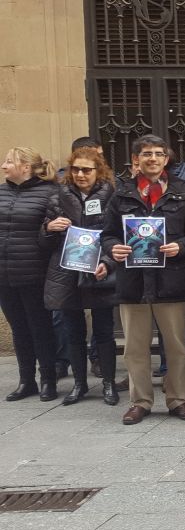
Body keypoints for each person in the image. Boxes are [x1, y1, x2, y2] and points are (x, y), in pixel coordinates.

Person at [103, 135, 185, 424]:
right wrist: (114, 247)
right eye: (146, 153)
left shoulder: (184, 192)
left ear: (166, 159)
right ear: (136, 159)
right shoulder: (121, 194)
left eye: (158, 153)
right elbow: (107, 233)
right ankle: (140, 401)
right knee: (135, 348)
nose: (152, 158)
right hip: (133, 283)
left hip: (171, 281)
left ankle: (178, 399)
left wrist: (181, 246)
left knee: (176, 346)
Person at [42, 147, 119, 405]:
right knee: (73, 330)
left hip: (100, 270)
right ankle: (79, 384)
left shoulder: (113, 197)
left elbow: (118, 236)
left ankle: (109, 383)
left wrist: (108, 262)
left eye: (86, 169)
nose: (80, 174)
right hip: (66, 272)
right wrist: (49, 228)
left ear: (99, 171)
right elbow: (42, 241)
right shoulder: (57, 197)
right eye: (75, 169)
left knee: (104, 330)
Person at [0, 147, 61, 402]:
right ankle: (26, 380)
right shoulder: (1, 192)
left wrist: (48, 230)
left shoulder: (49, 194)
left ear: (25, 167)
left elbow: (50, 238)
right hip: (4, 272)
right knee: (18, 328)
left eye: (9, 162)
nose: (3, 166)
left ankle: (48, 379)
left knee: (40, 327)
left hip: (33, 271)